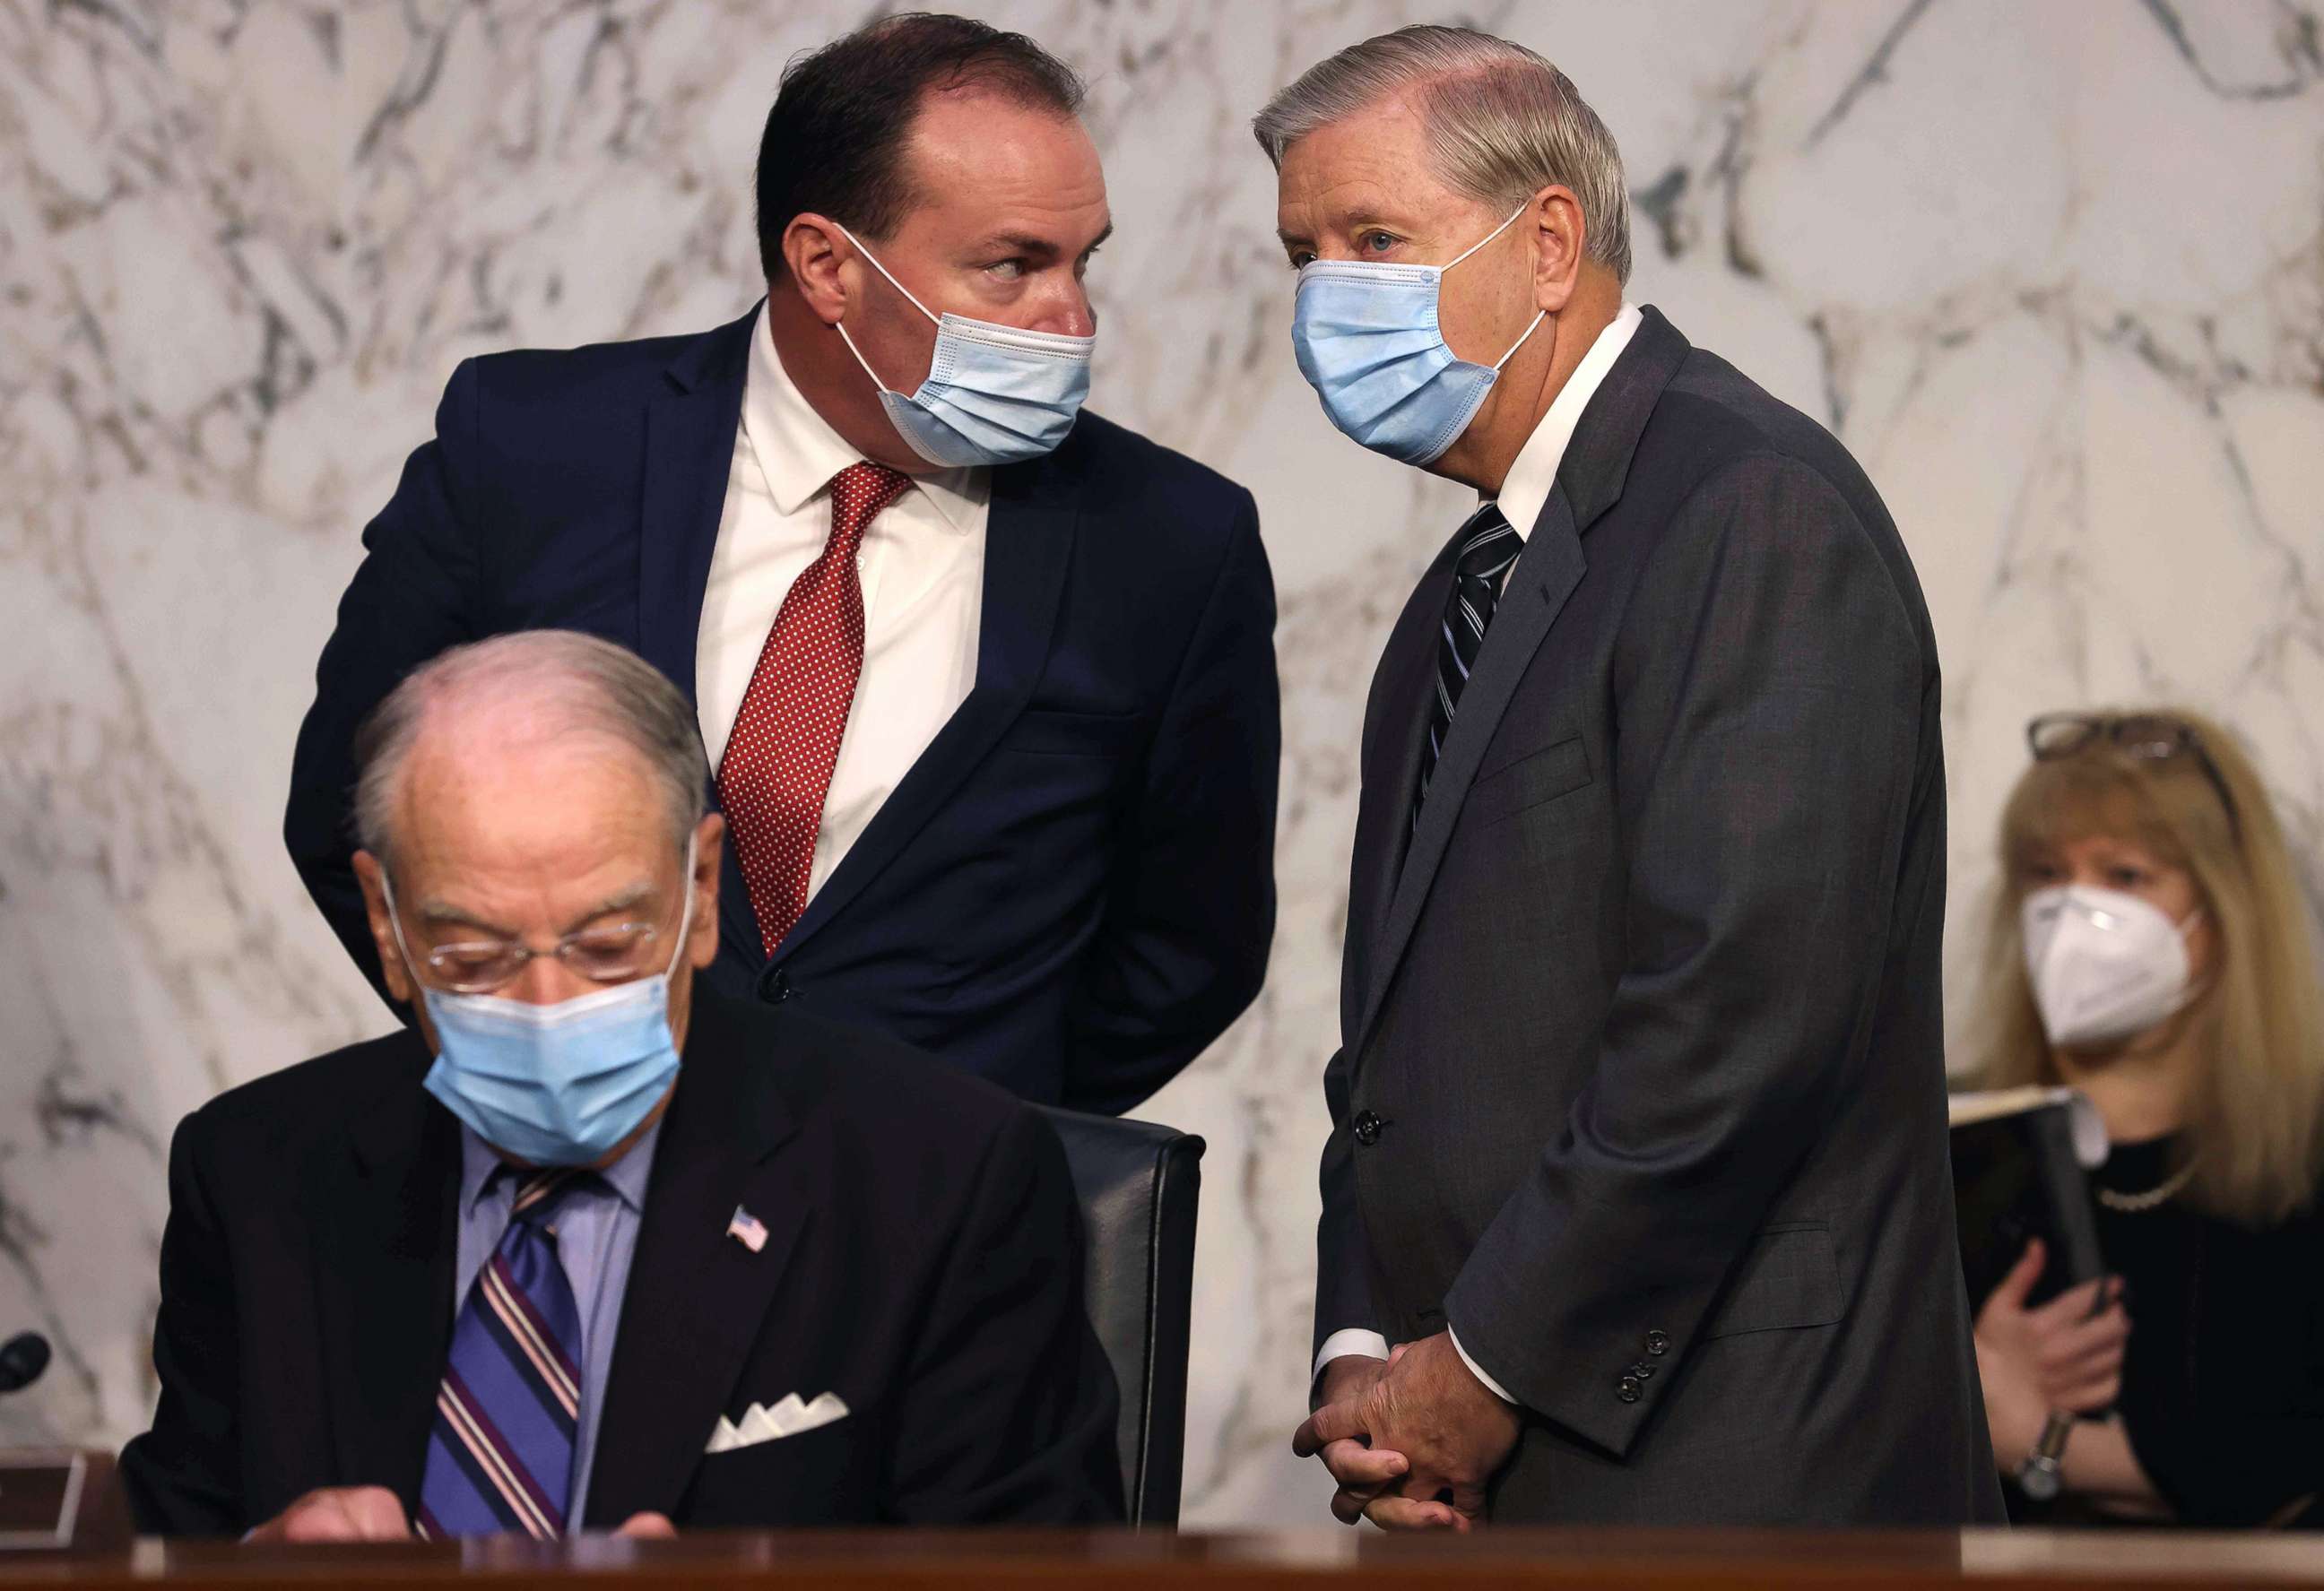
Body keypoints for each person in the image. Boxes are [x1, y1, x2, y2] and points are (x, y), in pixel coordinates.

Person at [1256, 26, 2001, 1527]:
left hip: (1731, 1475)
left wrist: (1479, 1365)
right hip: (1481, 1476)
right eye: (1303, 253)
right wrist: (1365, 1357)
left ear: (1546, 243)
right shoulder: (1468, 582)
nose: (1329, 293)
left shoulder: (1748, 510)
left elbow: (1736, 1019)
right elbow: (1399, 1051)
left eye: (1374, 239)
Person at [284, 13, 1279, 1114]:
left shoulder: (1173, 538)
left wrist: (958, 1150)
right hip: (574, 1195)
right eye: (1013, 266)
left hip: (939, 1243)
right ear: (826, 266)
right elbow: (354, 812)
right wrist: (538, 1076)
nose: (1073, 318)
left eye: (1081, 263)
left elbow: (1191, 948)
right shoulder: (530, 450)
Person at [124, 631, 1122, 1537]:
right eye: (474, 954)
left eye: (608, 945)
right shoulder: (259, 1173)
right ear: (387, 926)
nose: (548, 1000)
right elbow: (166, 1548)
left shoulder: (940, 1181)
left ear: (698, 888)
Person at [1968, 709, 2324, 1528]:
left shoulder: (2304, 1154)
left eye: (2125, 876)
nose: (2069, 914)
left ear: (2226, 904)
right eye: (2046, 874)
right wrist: (1960, 1375)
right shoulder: (1950, 1141)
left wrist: (2036, 1438)